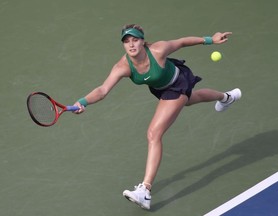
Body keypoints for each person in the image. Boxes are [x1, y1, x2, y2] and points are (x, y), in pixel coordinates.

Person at [73, 24, 241, 210]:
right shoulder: (122, 66)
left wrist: (211, 39)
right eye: (126, 41)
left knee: (154, 133)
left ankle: (145, 190)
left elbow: (182, 42)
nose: (131, 45)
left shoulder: (158, 50)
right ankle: (227, 97)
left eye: (135, 40)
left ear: (142, 41)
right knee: (193, 98)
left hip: (177, 82)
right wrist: (83, 101)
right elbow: (102, 90)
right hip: (160, 89)